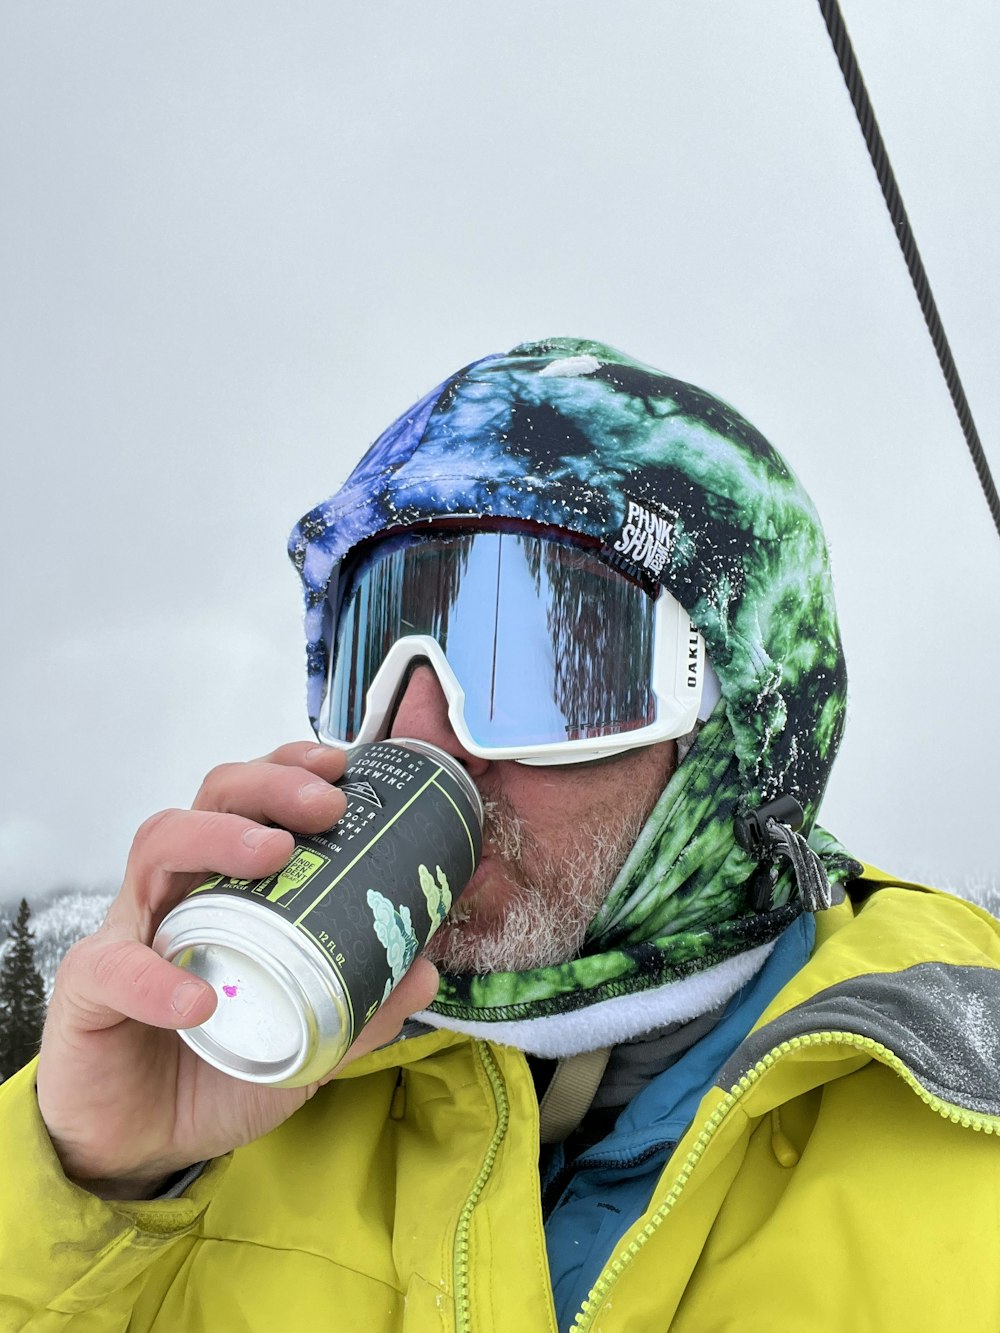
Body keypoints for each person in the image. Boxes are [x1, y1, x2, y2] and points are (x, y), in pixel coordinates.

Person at [3, 337, 1000, 1332]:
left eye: (545, 665)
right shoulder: (231, 1105)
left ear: (731, 726)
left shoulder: (964, 1146)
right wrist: (95, 1184)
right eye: (374, 662)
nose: (419, 739)